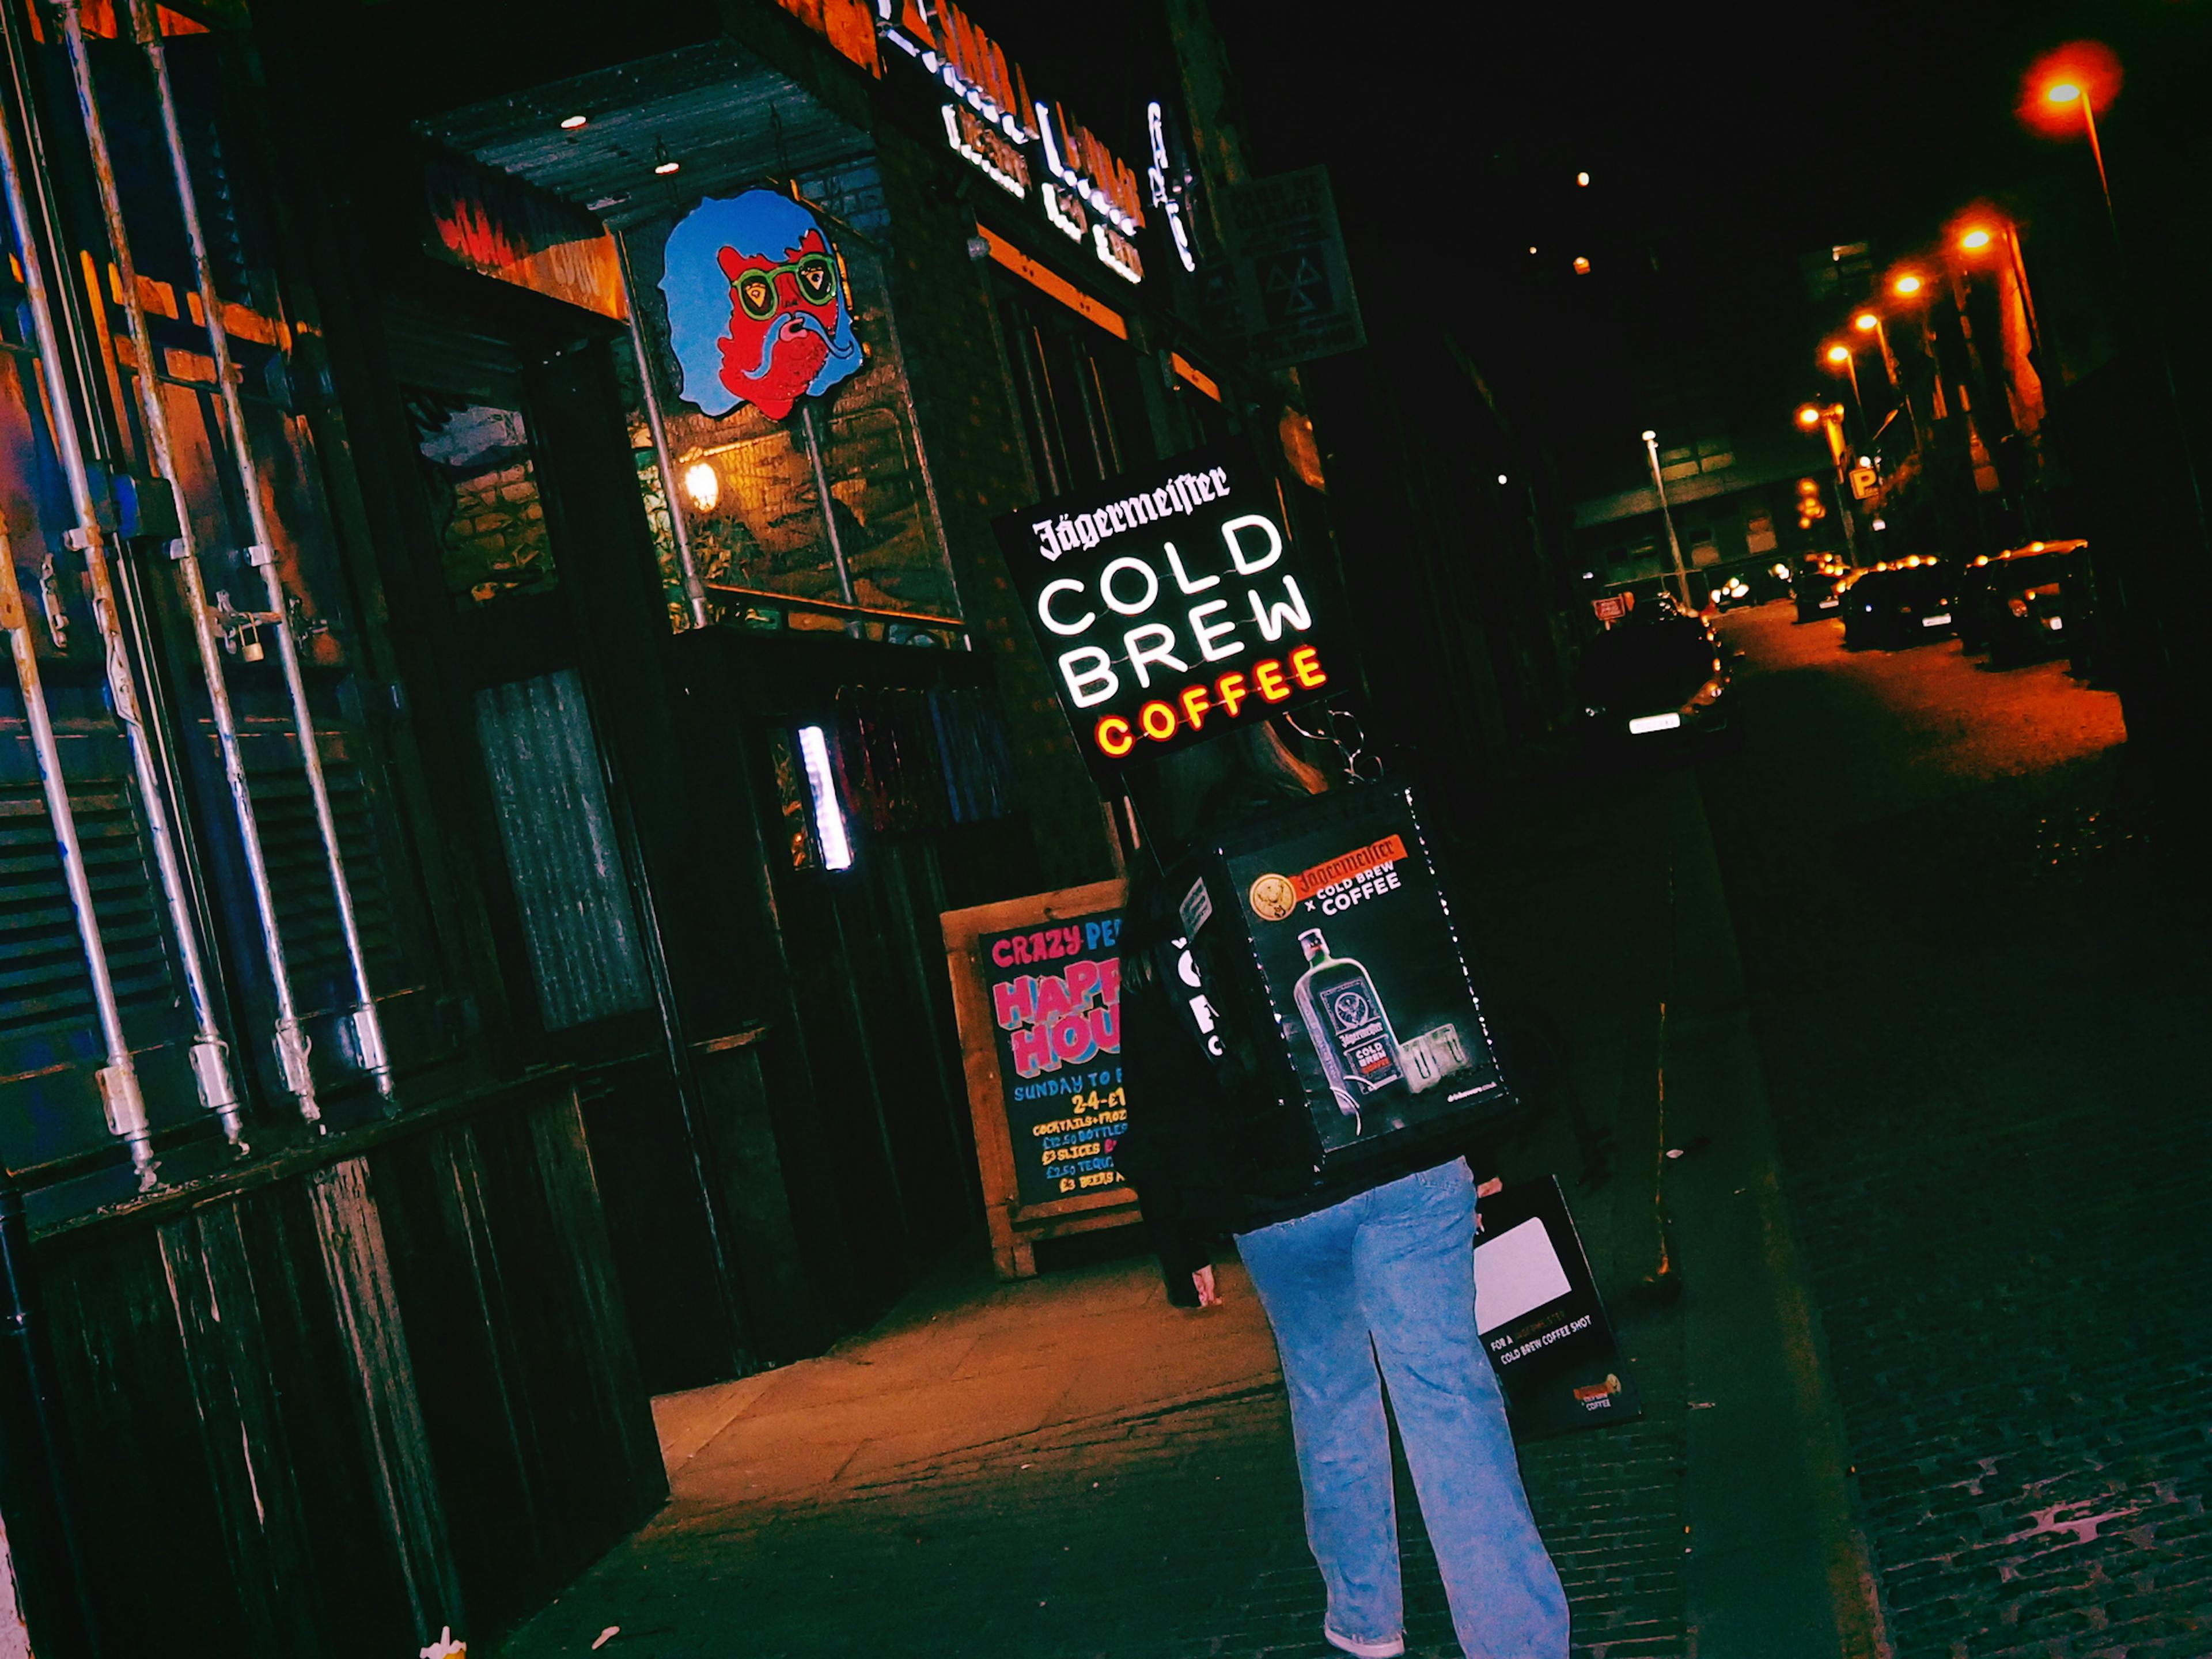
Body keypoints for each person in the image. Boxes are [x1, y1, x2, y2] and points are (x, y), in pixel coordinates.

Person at [1115, 722, 1569, 1659]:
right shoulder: (1344, 832)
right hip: (1403, 1163)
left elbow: (1159, 1074)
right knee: (1448, 1396)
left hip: (1277, 1199)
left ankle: (1367, 1632)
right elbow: (1440, 977)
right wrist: (1474, 1137)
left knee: (1330, 1401)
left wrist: (1182, 1238)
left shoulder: (1165, 892)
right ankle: (1517, 1642)